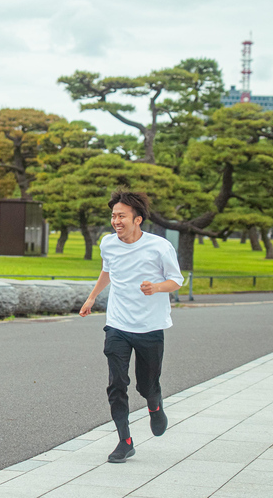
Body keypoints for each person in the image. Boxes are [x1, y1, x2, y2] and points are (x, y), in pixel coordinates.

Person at [79, 190, 183, 463]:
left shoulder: (159, 247)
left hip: (150, 327)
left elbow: (176, 280)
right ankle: (124, 440)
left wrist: (156, 287)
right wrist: (92, 297)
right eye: (113, 215)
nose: (116, 220)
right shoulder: (108, 244)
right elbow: (108, 270)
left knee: (146, 385)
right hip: (117, 324)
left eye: (121, 215)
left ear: (137, 219)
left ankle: (154, 402)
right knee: (116, 384)